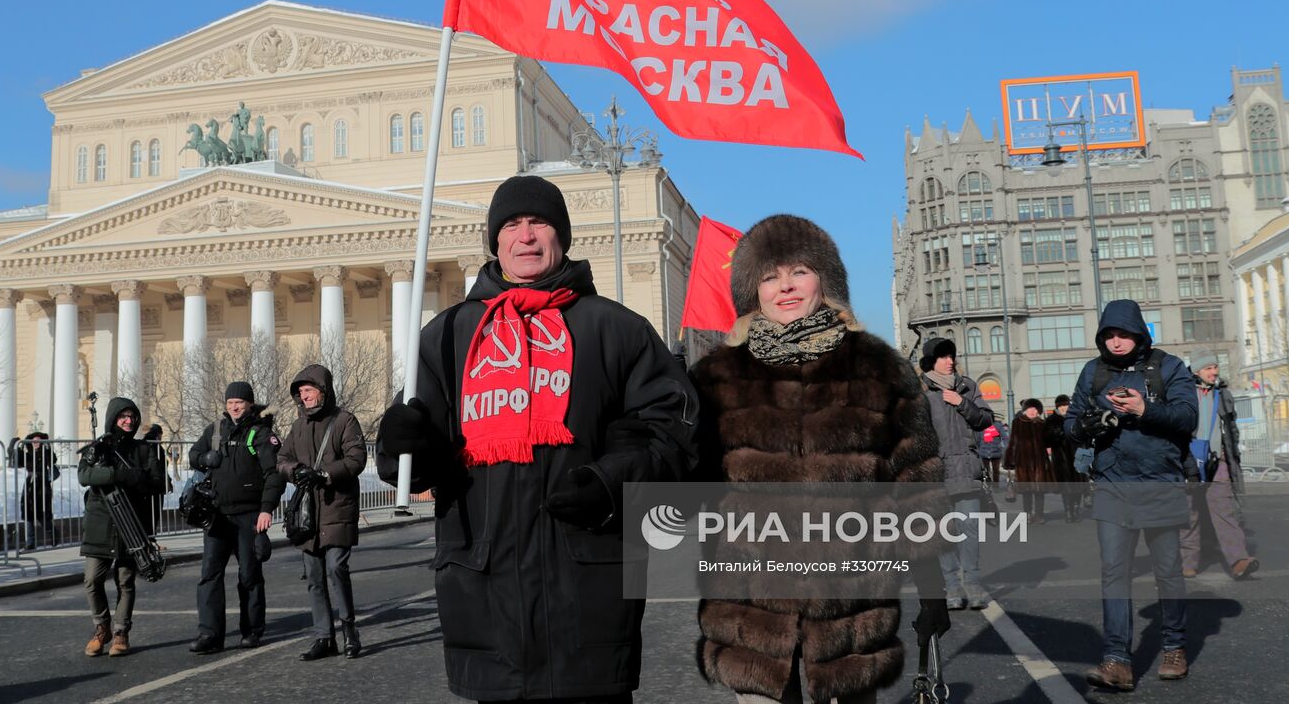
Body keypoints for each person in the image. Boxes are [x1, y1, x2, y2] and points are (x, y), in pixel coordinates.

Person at [375, 174, 698, 702]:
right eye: (511, 225)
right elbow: (408, 466)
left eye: (539, 222)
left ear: (561, 237)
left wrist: (609, 482)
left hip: (588, 596)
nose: (525, 236)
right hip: (484, 598)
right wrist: (405, 444)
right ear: (495, 242)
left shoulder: (616, 330)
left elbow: (672, 435)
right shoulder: (450, 335)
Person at [690, 214, 950, 704]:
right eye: (769, 276)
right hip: (752, 607)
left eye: (799, 272)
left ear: (824, 282)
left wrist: (931, 589)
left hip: (851, 602)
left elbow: (914, 487)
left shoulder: (878, 367)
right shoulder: (717, 378)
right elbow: (692, 488)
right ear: (753, 293)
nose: (785, 286)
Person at [1066, 300, 1197, 691]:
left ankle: (1174, 646)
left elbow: (1188, 418)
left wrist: (1144, 409)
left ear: (1139, 333)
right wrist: (1085, 425)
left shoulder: (1167, 367)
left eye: (1123, 334)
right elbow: (1071, 423)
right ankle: (1116, 660)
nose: (1116, 341)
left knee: (1168, 572)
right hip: (1111, 485)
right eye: (1109, 334)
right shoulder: (1094, 372)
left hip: (1160, 482)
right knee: (1114, 572)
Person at [276, 363, 367, 661]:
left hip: (337, 506)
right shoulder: (298, 425)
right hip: (308, 513)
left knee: (336, 568)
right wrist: (296, 471)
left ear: (323, 391)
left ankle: (350, 632)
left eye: (309, 390)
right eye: (301, 392)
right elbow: (282, 459)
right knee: (314, 576)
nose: (305, 397)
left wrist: (325, 475)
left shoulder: (345, 421)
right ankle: (324, 637)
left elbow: (356, 458)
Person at [188, 382, 284, 653]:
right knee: (209, 575)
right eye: (230, 401)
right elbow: (193, 455)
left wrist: (267, 509)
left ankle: (252, 630)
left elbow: (273, 475)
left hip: (249, 515)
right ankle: (210, 634)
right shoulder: (215, 430)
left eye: (239, 402)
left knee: (249, 574)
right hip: (217, 515)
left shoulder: (261, 434)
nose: (234, 406)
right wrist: (206, 458)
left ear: (249, 404)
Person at [77, 397, 165, 657]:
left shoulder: (144, 450)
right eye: (123, 416)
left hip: (131, 523)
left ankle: (120, 632)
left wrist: (138, 479)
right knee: (92, 579)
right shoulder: (100, 447)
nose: (128, 421)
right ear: (113, 419)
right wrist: (119, 475)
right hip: (100, 522)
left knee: (125, 581)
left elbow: (157, 481)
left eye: (132, 416)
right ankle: (101, 627)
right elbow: (85, 475)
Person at [918, 336, 994, 610]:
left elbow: (986, 419)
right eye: (943, 356)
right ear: (931, 361)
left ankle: (972, 583)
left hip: (966, 469)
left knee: (969, 531)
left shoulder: (967, 386)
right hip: (936, 473)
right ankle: (951, 586)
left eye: (951, 356)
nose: (950, 361)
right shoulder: (919, 391)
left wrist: (962, 402)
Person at [1179, 354, 1258, 579]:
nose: (1214, 372)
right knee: (1190, 512)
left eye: (1215, 367)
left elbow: (1230, 429)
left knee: (1225, 511)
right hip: (1188, 460)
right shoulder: (1182, 393)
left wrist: (1231, 455)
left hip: (1217, 461)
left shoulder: (1221, 394)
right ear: (1196, 371)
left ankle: (1239, 560)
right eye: (1209, 368)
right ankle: (1187, 562)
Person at [1003, 399, 1052, 523]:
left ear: (1038, 411)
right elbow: (1013, 442)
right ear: (1025, 410)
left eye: (1035, 409)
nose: (1032, 411)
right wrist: (1009, 461)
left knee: (1040, 491)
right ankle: (1028, 513)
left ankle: (1039, 515)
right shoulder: (1018, 422)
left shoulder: (1042, 423)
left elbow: (1048, 441)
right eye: (1030, 408)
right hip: (1023, 462)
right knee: (1027, 491)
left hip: (1040, 462)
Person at [1045, 395, 1086, 522]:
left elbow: (1085, 434)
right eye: (1061, 406)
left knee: (1078, 484)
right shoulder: (1052, 420)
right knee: (1065, 486)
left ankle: (1076, 508)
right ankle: (1069, 511)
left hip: (1078, 455)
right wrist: (1058, 433)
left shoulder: (1077, 417)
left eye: (1066, 405)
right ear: (1057, 407)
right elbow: (1046, 440)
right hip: (1061, 458)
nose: (1064, 408)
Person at [19, 431, 58, 550]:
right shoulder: (28, 454)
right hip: (30, 485)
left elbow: (53, 460)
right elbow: (18, 461)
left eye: (39, 441)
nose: (36, 443)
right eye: (34, 441)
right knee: (28, 513)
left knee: (43, 513)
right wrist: (18, 447)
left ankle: (53, 536)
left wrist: (48, 448)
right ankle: (30, 542)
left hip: (43, 485)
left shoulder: (46, 453)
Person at [142, 424, 172, 535]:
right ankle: (151, 539)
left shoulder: (145, 442)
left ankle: (150, 538)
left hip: (148, 484)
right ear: (159, 434)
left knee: (148, 514)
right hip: (155, 484)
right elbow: (159, 465)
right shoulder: (154, 444)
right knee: (154, 513)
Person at [979, 416, 1008, 484]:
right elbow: (978, 439)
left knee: (996, 471)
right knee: (986, 471)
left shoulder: (998, 425)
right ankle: (988, 485)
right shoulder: (981, 425)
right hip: (984, 452)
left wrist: (1005, 447)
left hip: (996, 452)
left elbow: (1004, 437)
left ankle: (996, 486)